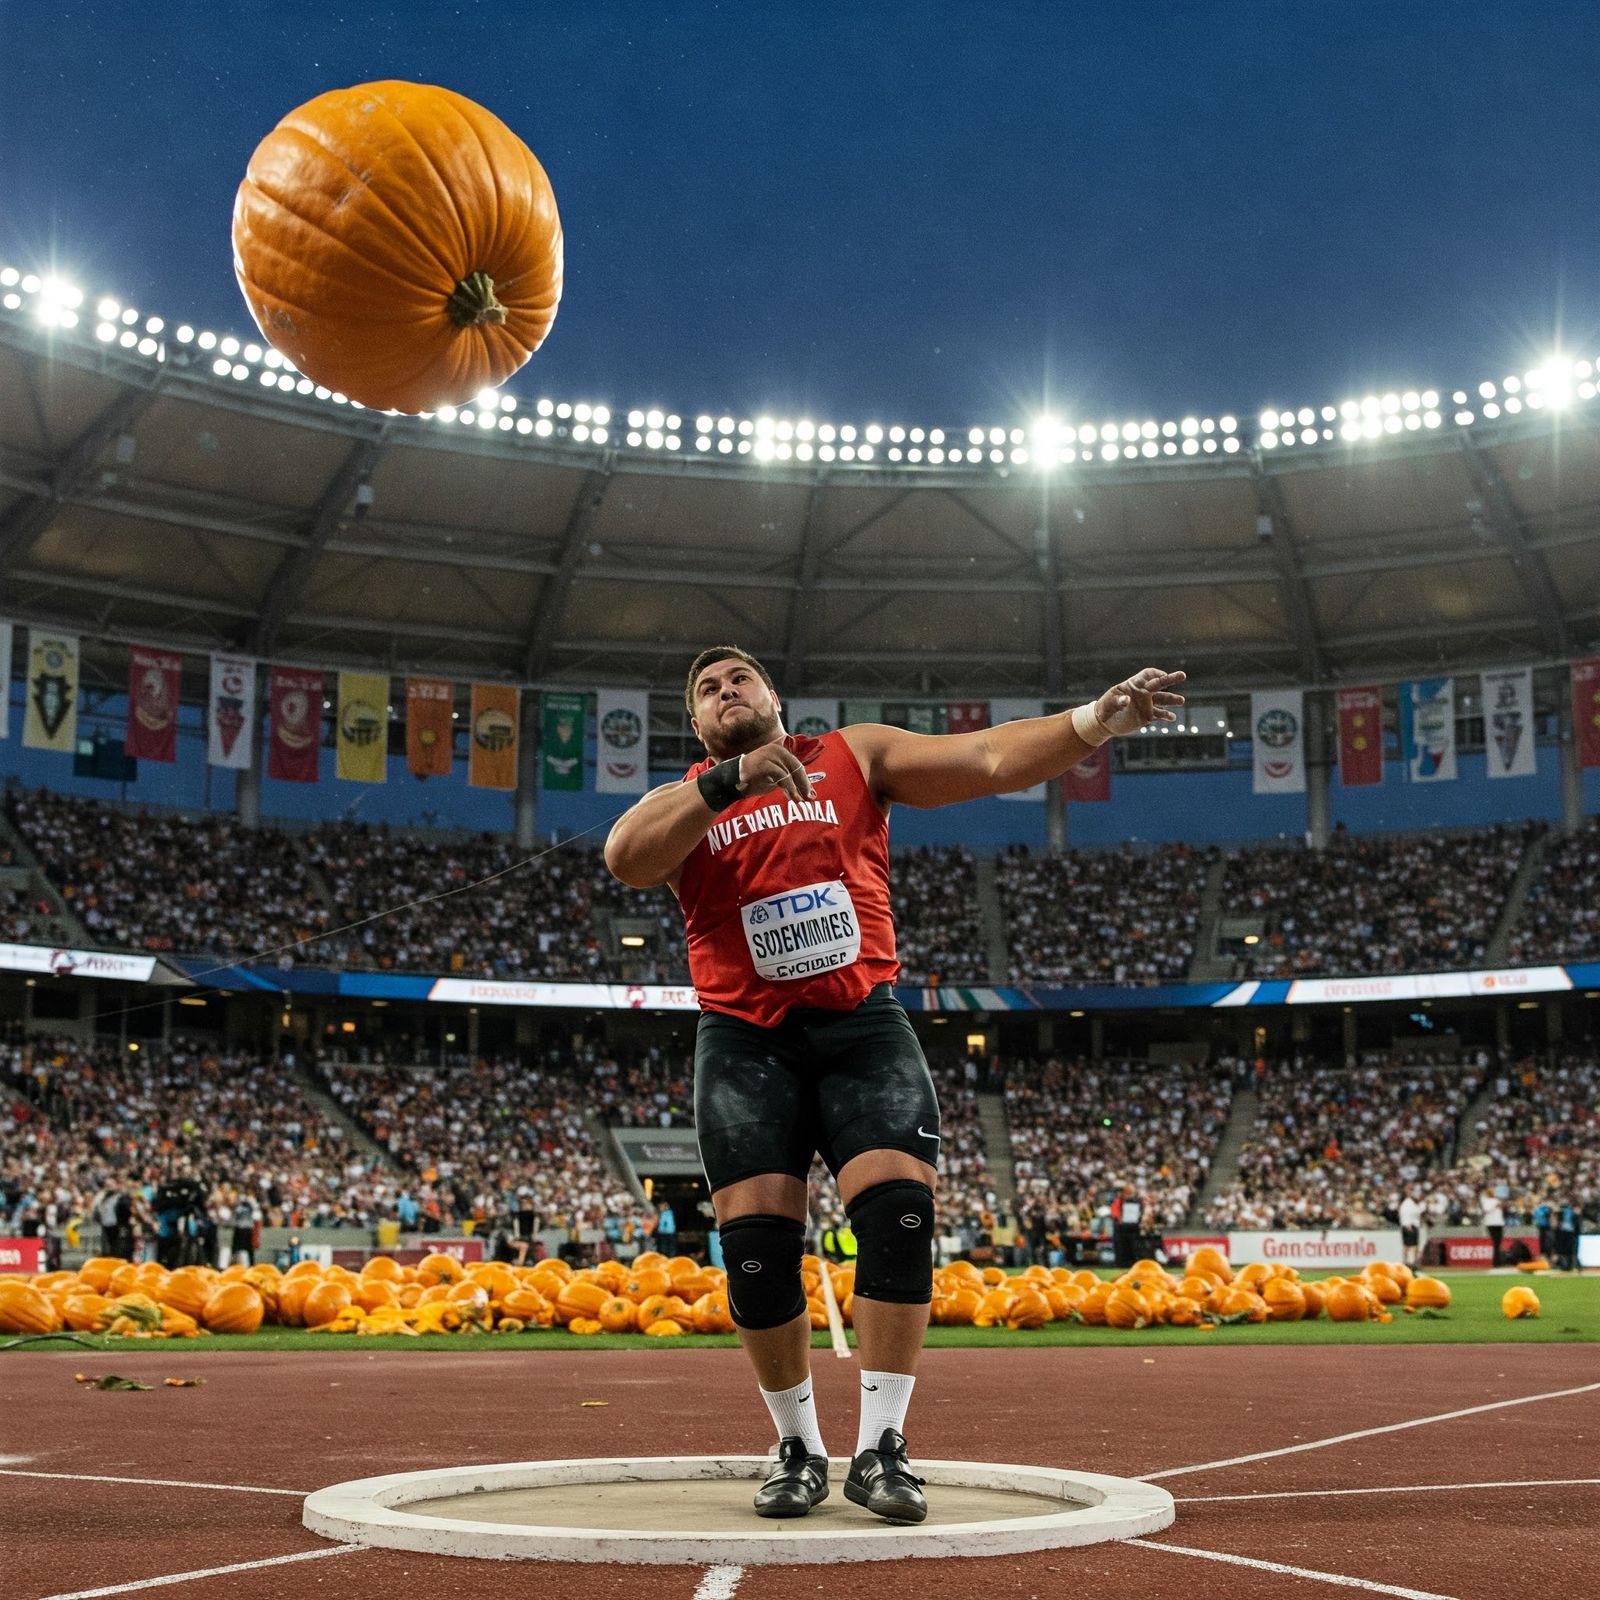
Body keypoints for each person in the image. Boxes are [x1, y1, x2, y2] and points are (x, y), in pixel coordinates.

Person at [605, 645, 1183, 1522]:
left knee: (901, 1218)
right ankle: (797, 1444)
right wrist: (727, 784)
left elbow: (987, 759)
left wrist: (1095, 721)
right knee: (757, 1256)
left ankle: (882, 1446)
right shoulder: (685, 799)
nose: (727, 693)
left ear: (775, 697)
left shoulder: (853, 755)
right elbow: (626, 857)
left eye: (740, 681)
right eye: (708, 692)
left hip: (861, 1026)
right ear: (697, 726)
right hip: (744, 1042)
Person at [1398, 1185, 1424, 1270]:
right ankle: (1410, 1263)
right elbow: (1405, 1215)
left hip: (1410, 1225)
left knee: (1408, 1246)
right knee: (1412, 1246)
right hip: (1410, 1225)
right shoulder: (1407, 1203)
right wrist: (1407, 1225)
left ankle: (1407, 1262)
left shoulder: (1411, 1203)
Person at [1480, 1186, 1505, 1268]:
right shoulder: (1486, 1201)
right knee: (1496, 1243)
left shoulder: (1496, 1200)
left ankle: (1497, 1261)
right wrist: (1495, 1205)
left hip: (1499, 1223)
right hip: (1491, 1223)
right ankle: (1496, 1262)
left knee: (1498, 1243)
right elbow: (1486, 1210)